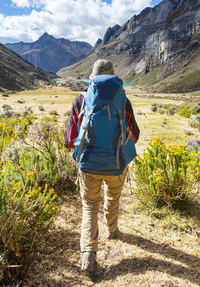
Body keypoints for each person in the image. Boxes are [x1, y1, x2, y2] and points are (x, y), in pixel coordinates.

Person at [64, 59, 140, 272]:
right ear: (113, 76)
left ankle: (88, 253)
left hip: (88, 163)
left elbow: (69, 139)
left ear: (93, 77)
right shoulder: (123, 99)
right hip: (116, 163)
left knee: (90, 206)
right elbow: (136, 134)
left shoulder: (80, 99)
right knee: (113, 197)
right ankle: (112, 230)